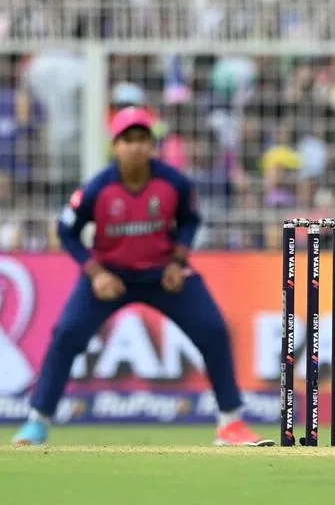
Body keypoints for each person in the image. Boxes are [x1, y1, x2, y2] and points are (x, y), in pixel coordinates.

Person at [11, 108, 271, 447]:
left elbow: (190, 221)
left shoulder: (174, 183)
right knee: (66, 334)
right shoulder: (97, 188)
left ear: (152, 146)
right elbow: (66, 230)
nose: (135, 147)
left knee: (213, 329)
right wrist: (95, 272)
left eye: (142, 140)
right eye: (127, 140)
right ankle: (38, 422)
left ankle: (231, 422)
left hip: (162, 274)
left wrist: (178, 261)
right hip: (110, 277)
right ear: (115, 146)